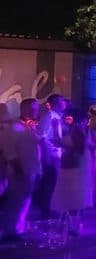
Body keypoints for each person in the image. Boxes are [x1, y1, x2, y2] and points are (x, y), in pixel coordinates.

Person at [52, 108, 96, 236]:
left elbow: (78, 148)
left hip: (73, 169)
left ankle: (74, 227)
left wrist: (56, 131)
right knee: (70, 198)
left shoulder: (77, 130)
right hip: (73, 167)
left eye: (68, 117)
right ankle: (70, 225)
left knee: (71, 198)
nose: (66, 119)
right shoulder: (77, 130)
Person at [2, 99, 42, 243]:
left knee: (24, 200)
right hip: (19, 171)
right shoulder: (14, 127)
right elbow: (9, 150)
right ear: (22, 108)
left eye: (36, 108)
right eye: (31, 108)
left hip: (31, 169)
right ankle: (10, 231)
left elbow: (34, 150)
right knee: (15, 201)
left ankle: (18, 228)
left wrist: (38, 170)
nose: (34, 111)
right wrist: (18, 168)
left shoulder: (29, 127)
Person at [36, 94, 65, 220]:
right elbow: (41, 136)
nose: (63, 104)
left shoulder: (57, 116)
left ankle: (50, 210)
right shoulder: (49, 115)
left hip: (56, 155)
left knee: (54, 183)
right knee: (50, 183)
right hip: (51, 155)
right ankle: (46, 211)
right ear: (54, 102)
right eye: (61, 101)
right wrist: (47, 156)